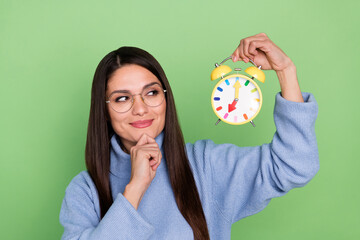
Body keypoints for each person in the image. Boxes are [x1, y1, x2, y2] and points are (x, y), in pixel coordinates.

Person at [59, 33, 319, 240]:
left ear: (165, 98)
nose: (140, 108)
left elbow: (294, 165)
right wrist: (135, 187)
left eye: (151, 93)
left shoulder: (205, 165)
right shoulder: (85, 191)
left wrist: (286, 71)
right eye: (122, 98)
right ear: (103, 111)